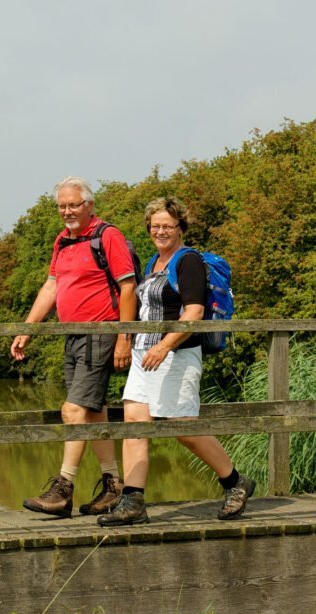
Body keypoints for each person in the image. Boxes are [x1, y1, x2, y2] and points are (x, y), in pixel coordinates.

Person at [97, 196, 254, 527]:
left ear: (181, 227)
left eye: (168, 225)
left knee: (183, 429)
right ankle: (133, 501)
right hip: (144, 353)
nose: (161, 231)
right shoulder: (154, 261)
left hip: (176, 354)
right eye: (155, 226)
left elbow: (194, 312)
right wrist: (132, 342)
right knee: (135, 425)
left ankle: (235, 482)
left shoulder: (188, 261)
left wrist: (165, 346)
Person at [11, 176, 137, 518]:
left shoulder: (107, 236)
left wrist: (124, 337)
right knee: (93, 410)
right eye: (62, 206)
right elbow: (52, 287)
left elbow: (128, 288)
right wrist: (28, 328)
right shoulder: (63, 241)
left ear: (89, 206)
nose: (67, 211)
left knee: (73, 410)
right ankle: (114, 486)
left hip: (102, 332)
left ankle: (63, 490)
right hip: (73, 335)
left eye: (73, 205)